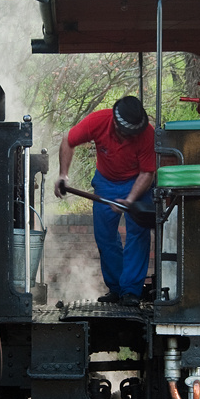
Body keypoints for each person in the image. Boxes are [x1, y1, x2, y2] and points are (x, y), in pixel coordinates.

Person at [55, 96, 155, 306]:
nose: (129, 138)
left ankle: (131, 291)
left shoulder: (147, 134)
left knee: (138, 235)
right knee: (105, 236)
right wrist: (63, 174)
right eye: (125, 133)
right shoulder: (98, 121)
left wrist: (130, 200)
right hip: (106, 182)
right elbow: (68, 140)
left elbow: (147, 173)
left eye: (132, 135)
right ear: (115, 124)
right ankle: (116, 289)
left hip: (137, 181)